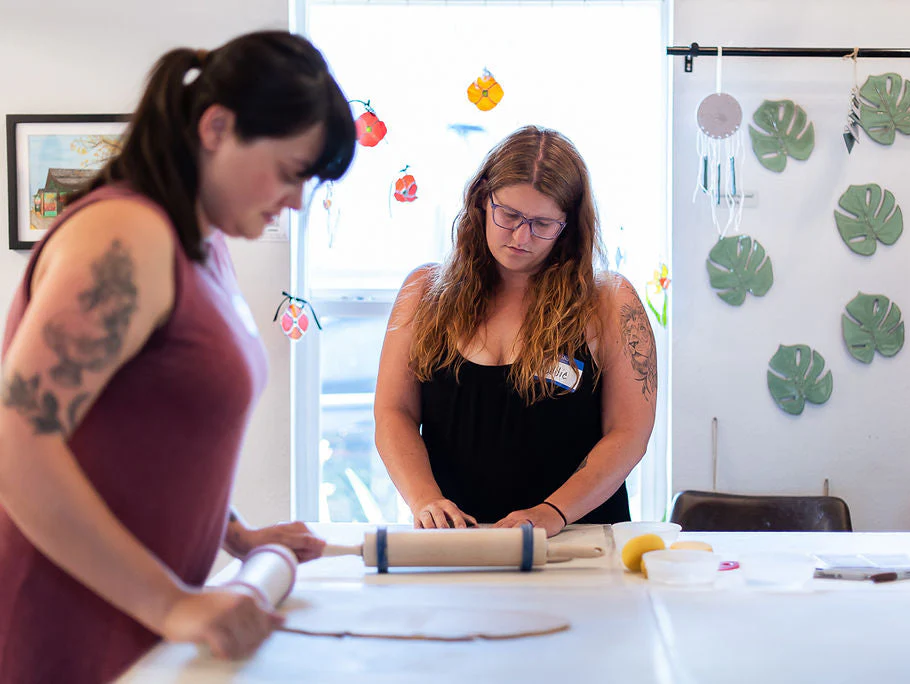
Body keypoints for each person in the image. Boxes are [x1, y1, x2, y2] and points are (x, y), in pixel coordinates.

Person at [0, 31, 356, 682]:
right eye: (288, 172)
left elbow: (149, 439)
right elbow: (16, 444)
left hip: (144, 612)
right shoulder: (125, 235)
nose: (296, 202)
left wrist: (239, 537)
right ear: (217, 127)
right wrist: (171, 603)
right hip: (69, 619)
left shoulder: (200, 243)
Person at [374, 125, 657, 537]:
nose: (521, 237)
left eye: (543, 224)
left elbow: (629, 433)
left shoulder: (610, 301)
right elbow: (393, 413)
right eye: (508, 215)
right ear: (481, 200)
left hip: (576, 541)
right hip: (458, 541)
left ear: (569, 226)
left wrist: (553, 512)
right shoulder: (424, 294)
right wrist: (424, 500)